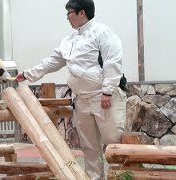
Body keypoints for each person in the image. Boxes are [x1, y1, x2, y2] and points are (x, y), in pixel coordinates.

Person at [15, 0, 126, 179]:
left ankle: (121, 177)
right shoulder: (69, 41)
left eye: (69, 13)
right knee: (89, 147)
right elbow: (51, 62)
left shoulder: (103, 33)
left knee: (115, 143)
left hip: (104, 97)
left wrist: (107, 91)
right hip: (82, 99)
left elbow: (112, 62)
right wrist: (28, 74)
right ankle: (94, 178)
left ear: (82, 12)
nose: (67, 17)